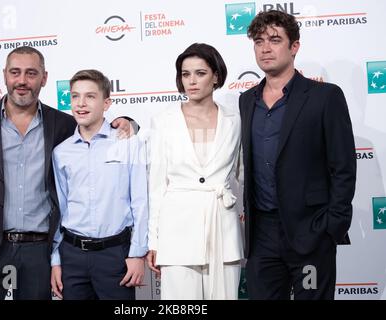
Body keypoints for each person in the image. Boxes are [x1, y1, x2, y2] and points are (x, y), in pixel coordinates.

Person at [0, 46, 134, 300]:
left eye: (31, 73)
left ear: (44, 78)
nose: (22, 81)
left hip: (39, 251)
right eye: (15, 72)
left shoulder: (64, 124)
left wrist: (128, 121)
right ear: (5, 75)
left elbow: (96, 127)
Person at [239, 10, 356, 299]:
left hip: (311, 233)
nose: (265, 48)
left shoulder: (325, 96)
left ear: (294, 47)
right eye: (258, 41)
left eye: (275, 40)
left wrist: (331, 227)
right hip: (262, 234)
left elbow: (343, 166)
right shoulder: (246, 100)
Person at [146, 43, 244, 300]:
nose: (191, 80)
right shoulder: (163, 121)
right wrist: (154, 241)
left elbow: (244, 175)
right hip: (176, 231)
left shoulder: (235, 121)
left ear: (216, 77)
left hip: (223, 229)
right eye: (185, 74)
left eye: (200, 73)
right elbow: (156, 185)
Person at [50, 69, 148, 300]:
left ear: (106, 103)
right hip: (71, 257)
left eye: (90, 96)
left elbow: (141, 202)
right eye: (75, 96)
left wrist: (137, 254)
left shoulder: (128, 143)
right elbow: (59, 208)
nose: (81, 104)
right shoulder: (61, 152)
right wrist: (56, 260)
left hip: (115, 255)